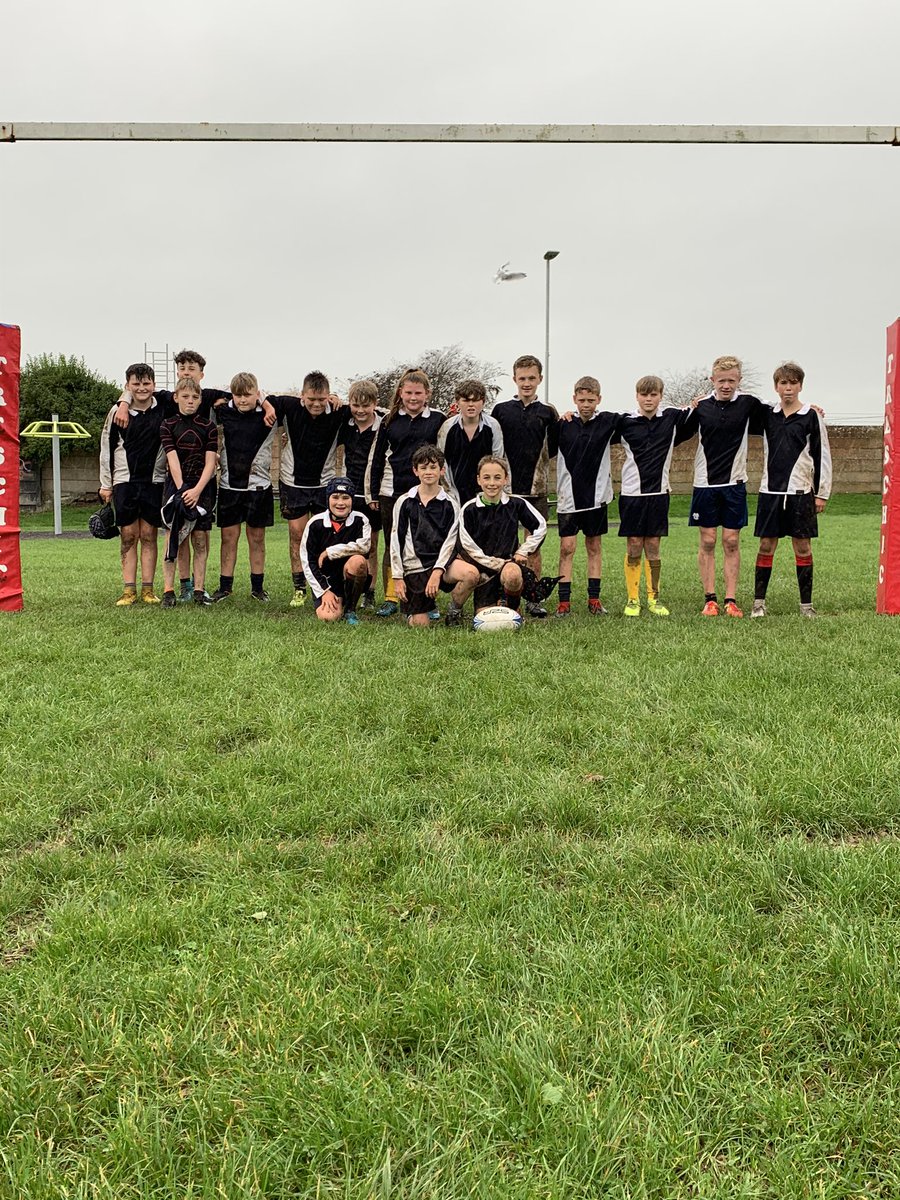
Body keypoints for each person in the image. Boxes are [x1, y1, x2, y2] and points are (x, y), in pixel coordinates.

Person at [685, 355, 770, 618]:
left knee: (731, 540)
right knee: (708, 540)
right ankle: (710, 599)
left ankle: (730, 599)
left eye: (731, 380)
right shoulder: (700, 406)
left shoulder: (749, 404)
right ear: (712, 380)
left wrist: (813, 409)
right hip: (705, 484)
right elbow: (672, 427)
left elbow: (781, 413)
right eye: (721, 380)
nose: (726, 385)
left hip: (734, 484)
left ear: (739, 380)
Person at [751, 362, 831, 618]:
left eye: (793, 383)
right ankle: (758, 603)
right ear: (776, 387)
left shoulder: (811, 416)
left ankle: (806, 606)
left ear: (800, 386)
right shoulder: (767, 415)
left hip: (800, 493)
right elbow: (739, 404)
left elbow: (823, 456)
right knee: (766, 546)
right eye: (783, 383)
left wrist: (821, 493)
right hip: (770, 493)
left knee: (803, 547)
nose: (788, 388)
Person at [365, 368, 447, 617]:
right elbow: (376, 458)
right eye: (409, 392)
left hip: (425, 493)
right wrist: (372, 494)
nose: (413, 398)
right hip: (392, 492)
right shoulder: (389, 420)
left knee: (425, 545)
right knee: (394, 545)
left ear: (427, 394)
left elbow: (443, 457)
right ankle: (391, 597)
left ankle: (426, 601)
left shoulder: (438, 419)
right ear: (401, 393)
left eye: (418, 393)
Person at [268, 371, 352, 607]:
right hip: (293, 483)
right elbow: (262, 398)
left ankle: (327, 584)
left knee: (327, 536)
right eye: (311, 399)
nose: (316, 404)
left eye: (322, 399)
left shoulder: (338, 412)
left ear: (329, 396)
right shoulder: (289, 406)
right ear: (302, 395)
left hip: (324, 484)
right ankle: (299, 588)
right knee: (297, 535)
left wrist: (338, 399)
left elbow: (369, 410)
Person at [618, 376, 695, 618]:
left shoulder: (671, 418)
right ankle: (633, 599)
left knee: (653, 545)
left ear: (661, 396)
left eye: (653, 395)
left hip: (659, 493)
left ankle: (654, 598)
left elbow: (699, 407)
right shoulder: (624, 421)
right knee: (633, 545)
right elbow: (593, 421)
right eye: (644, 394)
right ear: (637, 395)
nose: (648, 399)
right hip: (632, 494)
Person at [490, 354, 559, 616]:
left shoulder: (548, 412)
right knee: (502, 547)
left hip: (536, 490)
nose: (527, 383)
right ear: (514, 379)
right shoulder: (502, 410)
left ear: (540, 379)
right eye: (522, 378)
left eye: (532, 378)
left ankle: (533, 598)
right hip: (505, 491)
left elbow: (553, 447)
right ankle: (502, 594)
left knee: (533, 546)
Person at [444, 454, 547, 624]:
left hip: (509, 565)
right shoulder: (469, 509)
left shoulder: (516, 504)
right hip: (483, 571)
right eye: (487, 477)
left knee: (513, 574)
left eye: (497, 477)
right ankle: (455, 609)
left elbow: (540, 526)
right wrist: (496, 564)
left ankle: (513, 608)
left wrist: (523, 550)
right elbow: (468, 545)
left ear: (506, 479)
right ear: (479, 480)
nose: (492, 483)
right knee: (483, 617)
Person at [554, 375, 623, 617]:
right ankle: (564, 603)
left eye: (590, 400)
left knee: (594, 546)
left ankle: (594, 600)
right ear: (574, 399)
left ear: (599, 399)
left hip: (597, 498)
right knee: (567, 548)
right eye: (581, 399)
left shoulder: (608, 422)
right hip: (568, 499)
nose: (586, 404)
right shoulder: (562, 424)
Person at [98, 362, 166, 605]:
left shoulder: (163, 407)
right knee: (128, 535)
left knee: (149, 534)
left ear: (154, 385)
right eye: (136, 383)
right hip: (124, 481)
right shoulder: (117, 412)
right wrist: (106, 484)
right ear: (127, 385)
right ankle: (129, 590)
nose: (142, 388)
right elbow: (106, 448)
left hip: (154, 481)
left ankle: (148, 589)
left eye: (146, 383)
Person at [209, 372, 276, 603]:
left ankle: (257, 588)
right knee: (229, 538)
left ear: (257, 394)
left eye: (247, 395)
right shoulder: (223, 410)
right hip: (229, 487)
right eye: (237, 395)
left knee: (256, 538)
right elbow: (202, 396)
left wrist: (266, 402)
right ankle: (225, 587)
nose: (242, 400)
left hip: (259, 487)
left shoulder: (271, 412)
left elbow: (297, 402)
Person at [390, 445, 468, 627]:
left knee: (470, 574)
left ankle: (454, 610)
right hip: (414, 566)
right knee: (421, 624)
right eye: (423, 468)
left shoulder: (451, 504)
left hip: (441, 565)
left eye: (433, 467)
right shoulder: (404, 502)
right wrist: (398, 577)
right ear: (415, 471)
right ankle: (417, 608)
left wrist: (437, 571)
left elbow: (451, 542)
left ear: (442, 470)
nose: (428, 472)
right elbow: (395, 540)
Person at [159, 376, 219, 607]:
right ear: (176, 398)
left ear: (200, 400)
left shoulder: (209, 427)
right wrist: (183, 489)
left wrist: (196, 490)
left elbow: (210, 462)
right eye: (185, 396)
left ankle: (198, 590)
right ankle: (170, 590)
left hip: (202, 486)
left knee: (200, 539)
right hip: (177, 486)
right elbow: (171, 458)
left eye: (195, 397)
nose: (190, 401)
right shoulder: (167, 425)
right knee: (175, 536)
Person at [299, 477, 371, 625]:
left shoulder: (361, 520)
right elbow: (307, 561)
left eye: (346, 498)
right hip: (326, 580)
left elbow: (364, 546)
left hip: (348, 574)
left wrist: (330, 552)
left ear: (352, 500)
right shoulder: (315, 523)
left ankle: (350, 608)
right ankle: (335, 601)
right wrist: (324, 591)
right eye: (335, 497)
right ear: (328, 499)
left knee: (358, 562)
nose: (340, 503)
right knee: (329, 617)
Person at [339, 379, 383, 610]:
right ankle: (347, 589)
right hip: (349, 492)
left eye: (366, 405)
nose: (360, 410)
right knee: (348, 542)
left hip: (371, 494)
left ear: (375, 404)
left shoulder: (383, 426)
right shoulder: (345, 422)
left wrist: (374, 492)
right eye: (356, 405)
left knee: (371, 545)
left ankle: (370, 591)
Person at [436, 379, 504, 507]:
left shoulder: (493, 426)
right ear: (458, 402)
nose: (471, 405)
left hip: (486, 491)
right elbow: (442, 460)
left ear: (483, 401)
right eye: (466, 400)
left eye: (476, 400)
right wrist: (449, 490)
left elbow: (498, 459)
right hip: (455, 492)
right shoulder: (447, 427)